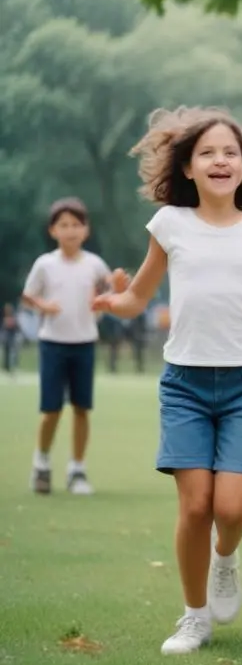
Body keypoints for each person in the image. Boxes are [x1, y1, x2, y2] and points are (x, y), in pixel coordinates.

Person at [92, 106, 242, 654]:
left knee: (232, 510)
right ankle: (194, 616)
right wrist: (112, 300)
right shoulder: (170, 224)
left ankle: (225, 560)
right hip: (185, 385)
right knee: (196, 507)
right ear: (188, 168)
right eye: (208, 153)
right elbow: (139, 296)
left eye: (230, 152)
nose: (221, 160)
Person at [21, 197, 117, 496]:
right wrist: (44, 306)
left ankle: (77, 469)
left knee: (81, 409)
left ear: (86, 230)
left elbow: (110, 292)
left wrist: (116, 287)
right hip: (53, 344)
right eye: (64, 225)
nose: (71, 230)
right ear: (53, 231)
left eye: (77, 224)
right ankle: (42, 462)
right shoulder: (45, 264)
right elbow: (28, 295)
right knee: (51, 410)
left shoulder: (95, 264)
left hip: (84, 343)